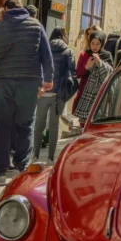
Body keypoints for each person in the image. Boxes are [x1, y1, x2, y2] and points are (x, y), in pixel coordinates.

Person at [0, 0, 53, 185]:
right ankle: (20, 168)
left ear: (6, 9)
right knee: (25, 124)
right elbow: (46, 55)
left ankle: (0, 172)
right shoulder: (36, 26)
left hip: (2, 82)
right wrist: (48, 79)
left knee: (0, 127)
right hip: (29, 83)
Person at [32, 27, 76, 163]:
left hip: (44, 90)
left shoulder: (44, 48)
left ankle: (35, 155)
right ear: (64, 36)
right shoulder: (68, 51)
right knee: (54, 125)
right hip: (59, 93)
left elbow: (37, 66)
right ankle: (51, 158)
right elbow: (72, 72)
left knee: (39, 124)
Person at [74, 30, 112, 126]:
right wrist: (87, 66)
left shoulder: (107, 55)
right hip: (85, 94)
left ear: (102, 43)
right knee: (84, 125)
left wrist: (100, 62)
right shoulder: (84, 55)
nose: (95, 46)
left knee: (98, 123)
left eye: (98, 44)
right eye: (92, 43)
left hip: (101, 94)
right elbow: (78, 73)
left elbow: (110, 73)